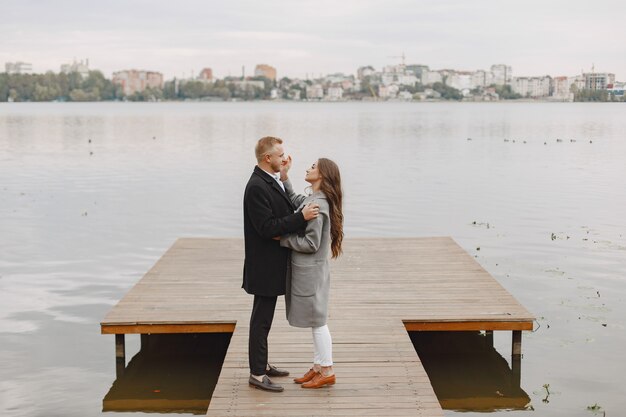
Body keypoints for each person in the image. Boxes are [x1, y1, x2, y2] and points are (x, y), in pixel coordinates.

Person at [243, 136, 320, 393]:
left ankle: (262, 364)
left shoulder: (270, 181)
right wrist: (301, 218)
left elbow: (282, 212)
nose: (284, 158)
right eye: (280, 155)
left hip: (272, 264)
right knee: (261, 320)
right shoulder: (256, 186)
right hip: (263, 265)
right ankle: (256, 373)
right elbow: (266, 228)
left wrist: (285, 175)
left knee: (264, 318)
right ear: (268, 158)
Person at [279, 157, 344, 389]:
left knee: (318, 322)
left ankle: (327, 369)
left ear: (322, 175)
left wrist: (283, 239)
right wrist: (285, 177)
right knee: (316, 320)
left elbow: (312, 243)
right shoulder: (315, 198)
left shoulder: (319, 204)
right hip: (310, 272)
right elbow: (298, 202)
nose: (308, 168)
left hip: (310, 273)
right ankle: (318, 367)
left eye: (314, 166)